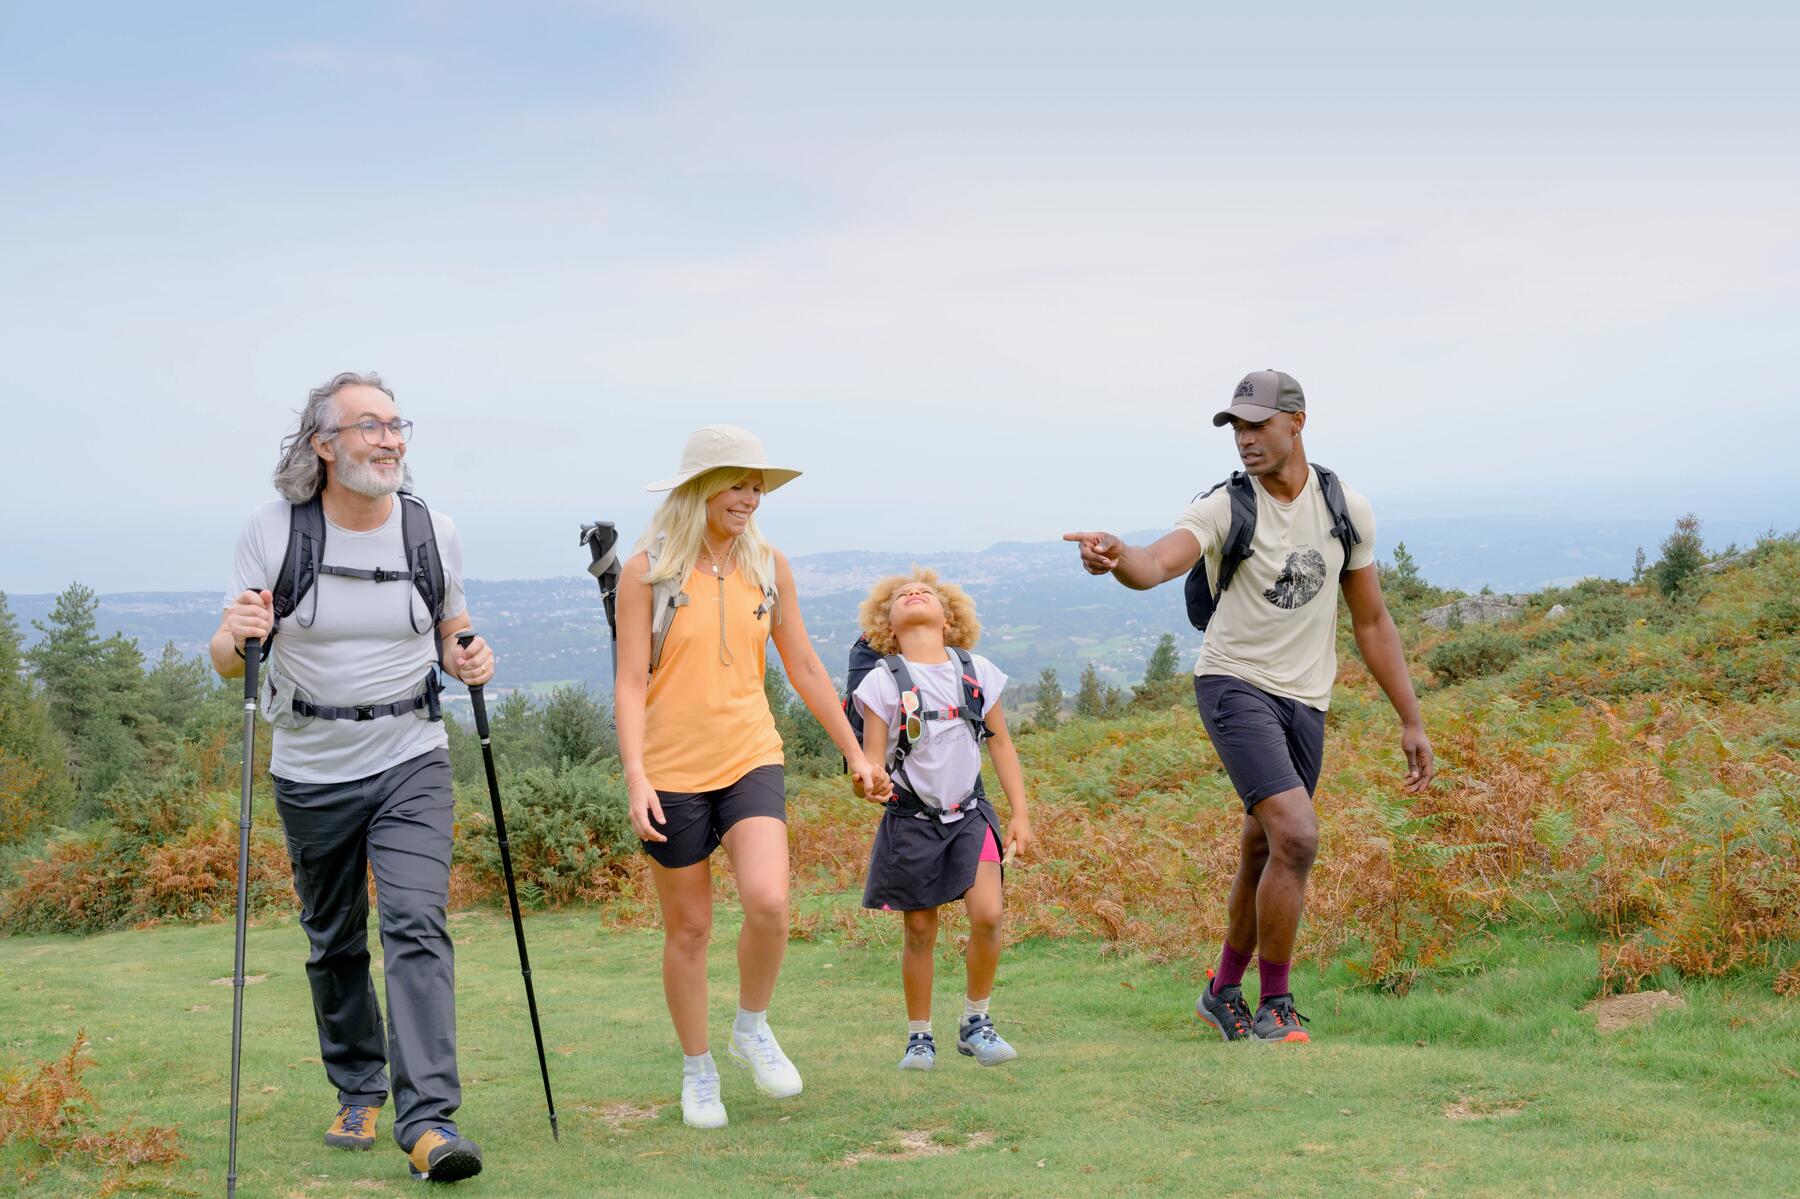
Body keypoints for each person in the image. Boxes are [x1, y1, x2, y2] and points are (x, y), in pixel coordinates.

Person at [1063, 369, 1434, 1044]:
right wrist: (1115, 557)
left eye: (1257, 423)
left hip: (1306, 698)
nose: (1244, 437)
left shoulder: (1345, 506)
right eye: (1235, 425)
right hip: (1233, 684)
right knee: (1297, 832)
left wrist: (1410, 717)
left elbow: (1373, 621)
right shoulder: (1224, 507)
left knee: (1265, 846)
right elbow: (1154, 562)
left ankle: (1220, 991)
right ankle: (1276, 1003)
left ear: (1298, 420)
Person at [211, 372, 489, 1182]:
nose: (390, 438)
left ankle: (429, 1120)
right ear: (322, 445)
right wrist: (238, 634)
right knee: (334, 938)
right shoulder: (273, 531)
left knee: (415, 922)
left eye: (397, 423)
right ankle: (358, 1084)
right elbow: (230, 660)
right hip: (310, 768)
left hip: (412, 755)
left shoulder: (431, 528)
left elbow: (451, 624)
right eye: (370, 425)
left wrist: (468, 652)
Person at [612, 424, 889, 1129]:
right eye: (737, 482)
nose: (751, 496)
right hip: (671, 767)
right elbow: (628, 683)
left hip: (750, 754)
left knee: (769, 901)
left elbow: (801, 665)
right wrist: (636, 774)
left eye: (757, 484)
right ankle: (697, 1069)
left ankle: (751, 1027)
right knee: (691, 928)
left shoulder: (769, 566)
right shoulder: (646, 570)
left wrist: (855, 751)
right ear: (700, 488)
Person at [851, 569, 1034, 1070]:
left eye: (926, 592)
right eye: (902, 596)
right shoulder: (880, 682)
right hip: (911, 818)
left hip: (971, 814)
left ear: (949, 617)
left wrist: (1019, 813)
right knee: (920, 932)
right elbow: (869, 762)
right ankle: (919, 1036)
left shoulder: (977, 672)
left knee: (989, 915)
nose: (914, 594)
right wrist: (869, 783)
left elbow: (1002, 746)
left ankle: (976, 1021)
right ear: (887, 623)